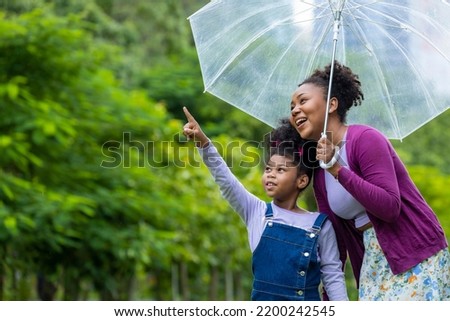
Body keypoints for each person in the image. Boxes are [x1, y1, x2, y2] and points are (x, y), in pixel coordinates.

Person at [289, 61, 450, 300]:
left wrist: (338, 168)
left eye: (303, 101)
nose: (294, 110)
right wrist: (330, 295)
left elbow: (389, 206)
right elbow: (332, 239)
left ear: (332, 104)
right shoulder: (320, 175)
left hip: (414, 253)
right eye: (292, 106)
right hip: (371, 264)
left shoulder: (365, 139)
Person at [182, 106, 348, 301]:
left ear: (301, 181)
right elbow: (226, 181)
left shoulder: (320, 225)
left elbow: (333, 277)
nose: (270, 174)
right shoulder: (257, 212)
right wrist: (203, 143)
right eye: (268, 168)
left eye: (280, 170)